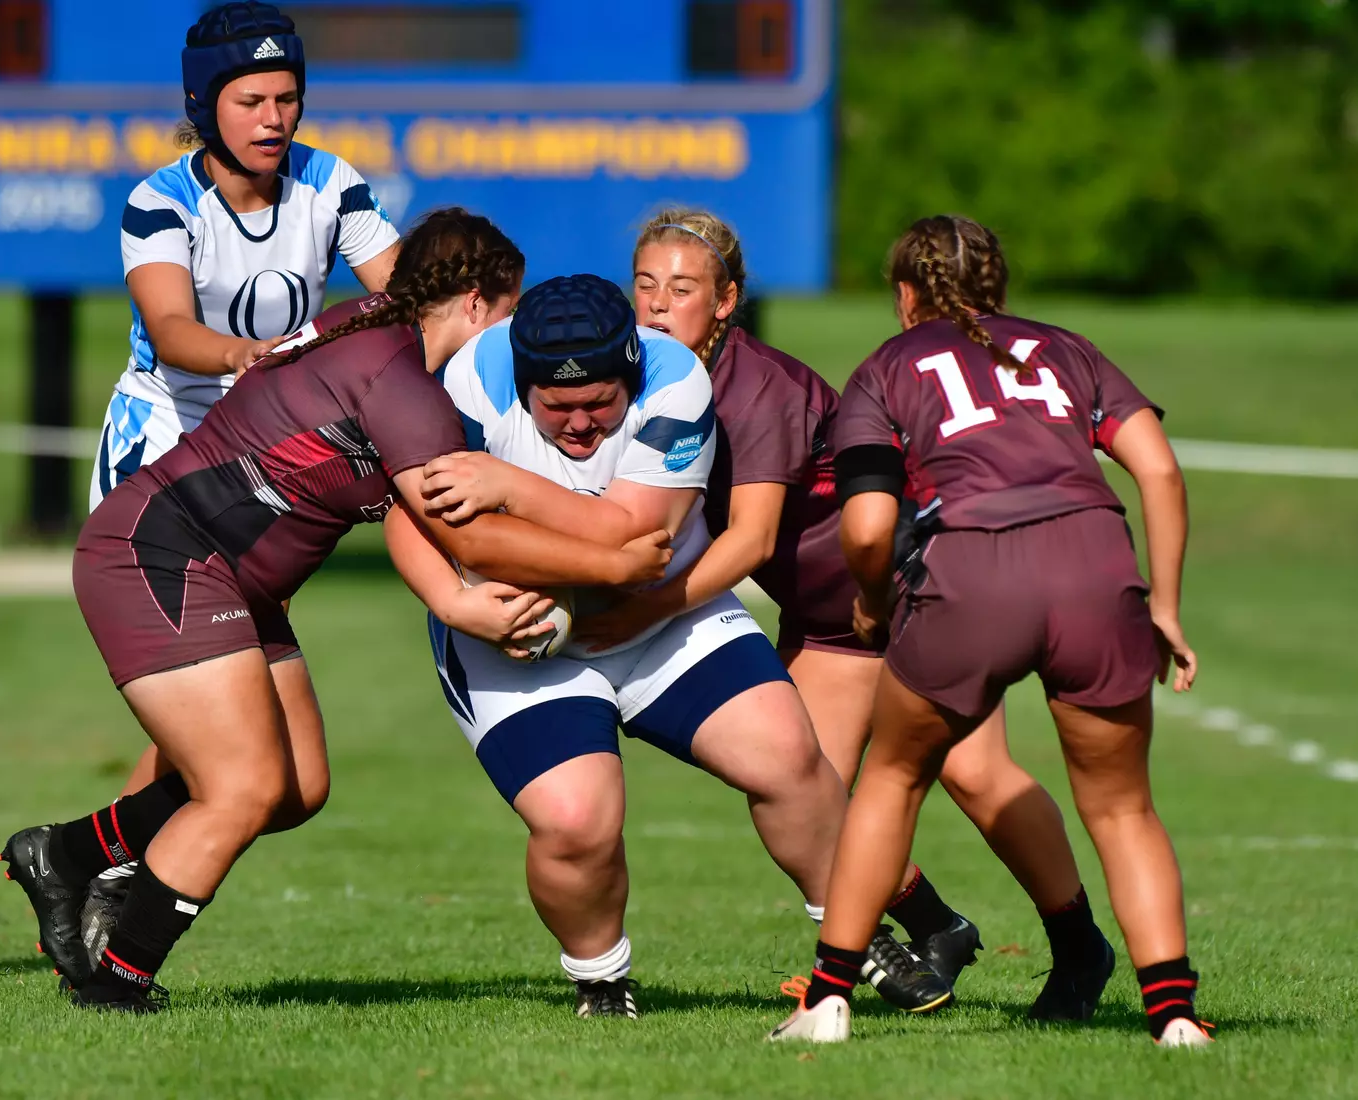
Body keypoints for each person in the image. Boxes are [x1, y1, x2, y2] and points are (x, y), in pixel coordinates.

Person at [1, 215, 675, 1013]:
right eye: (509, 309)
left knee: (297, 787)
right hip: (163, 556)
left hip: (231, 580)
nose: (511, 337)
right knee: (244, 787)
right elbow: (474, 537)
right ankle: (118, 986)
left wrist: (465, 591)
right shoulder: (400, 381)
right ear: (470, 300)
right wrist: (618, 562)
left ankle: (71, 853)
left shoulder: (370, 326)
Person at [587, 208, 1108, 1015]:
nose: (656, 306)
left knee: (975, 774)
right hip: (826, 623)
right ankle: (933, 928)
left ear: (725, 302)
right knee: (794, 786)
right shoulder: (638, 380)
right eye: (645, 285)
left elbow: (751, 543)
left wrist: (639, 614)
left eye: (681, 289)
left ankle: (1080, 949)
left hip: (903, 594)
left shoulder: (758, 387)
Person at [773, 215, 1209, 1048]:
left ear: (905, 295)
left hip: (972, 576)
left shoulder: (886, 368)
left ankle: (826, 1000)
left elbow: (866, 529)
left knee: (893, 779)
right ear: (999, 287)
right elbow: (1157, 467)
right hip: (1094, 566)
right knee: (1123, 809)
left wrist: (872, 601)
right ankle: (1175, 1016)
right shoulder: (1067, 349)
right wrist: (1166, 608)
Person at [390, 274, 853, 1019]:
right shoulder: (470, 383)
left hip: (662, 614)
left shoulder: (675, 379)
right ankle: (602, 981)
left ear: (632, 372)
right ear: (521, 384)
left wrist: (506, 482)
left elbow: (631, 535)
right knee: (577, 820)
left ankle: (851, 944)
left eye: (599, 404)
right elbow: (410, 517)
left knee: (788, 754)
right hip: (513, 630)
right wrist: (456, 603)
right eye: (557, 407)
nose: (580, 425)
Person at [90, 0, 401, 507]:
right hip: (168, 434)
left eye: (288, 99)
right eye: (251, 101)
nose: (273, 119)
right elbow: (169, 328)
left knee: (257, 592)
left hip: (274, 436)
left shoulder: (330, 181)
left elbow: (406, 296)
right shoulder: (161, 202)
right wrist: (242, 354)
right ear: (202, 102)